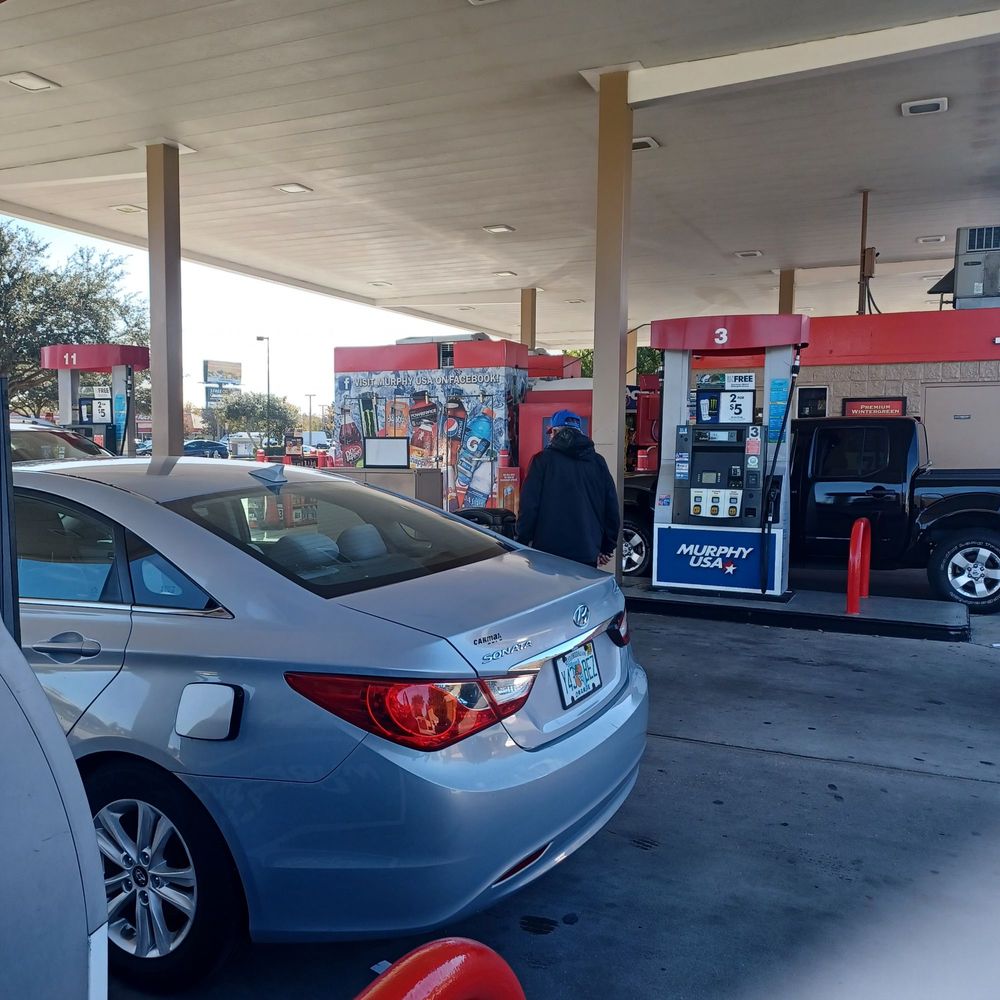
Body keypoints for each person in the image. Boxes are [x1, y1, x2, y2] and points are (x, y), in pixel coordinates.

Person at [516, 409, 621, 568]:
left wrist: (522, 541)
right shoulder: (598, 462)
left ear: (555, 432)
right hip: (587, 551)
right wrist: (606, 547)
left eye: (550, 433)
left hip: (547, 553)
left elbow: (529, 506)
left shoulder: (542, 461)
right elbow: (611, 508)